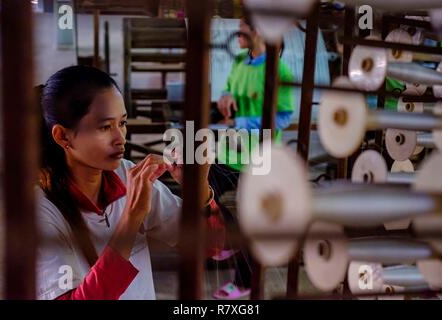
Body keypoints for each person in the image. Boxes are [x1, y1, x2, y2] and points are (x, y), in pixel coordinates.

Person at [36, 65, 225, 300]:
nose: (120, 139)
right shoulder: (40, 210)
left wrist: (199, 189)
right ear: (63, 136)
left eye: (122, 123)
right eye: (105, 127)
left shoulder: (127, 175)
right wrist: (131, 218)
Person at [209, 17, 294, 299]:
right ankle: (229, 238)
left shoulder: (278, 69)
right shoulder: (241, 62)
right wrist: (225, 96)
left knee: (250, 218)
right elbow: (230, 87)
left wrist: (243, 122)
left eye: (242, 29)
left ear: (258, 32)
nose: (237, 34)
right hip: (233, 151)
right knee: (203, 180)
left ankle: (243, 282)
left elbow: (282, 117)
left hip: (260, 156)